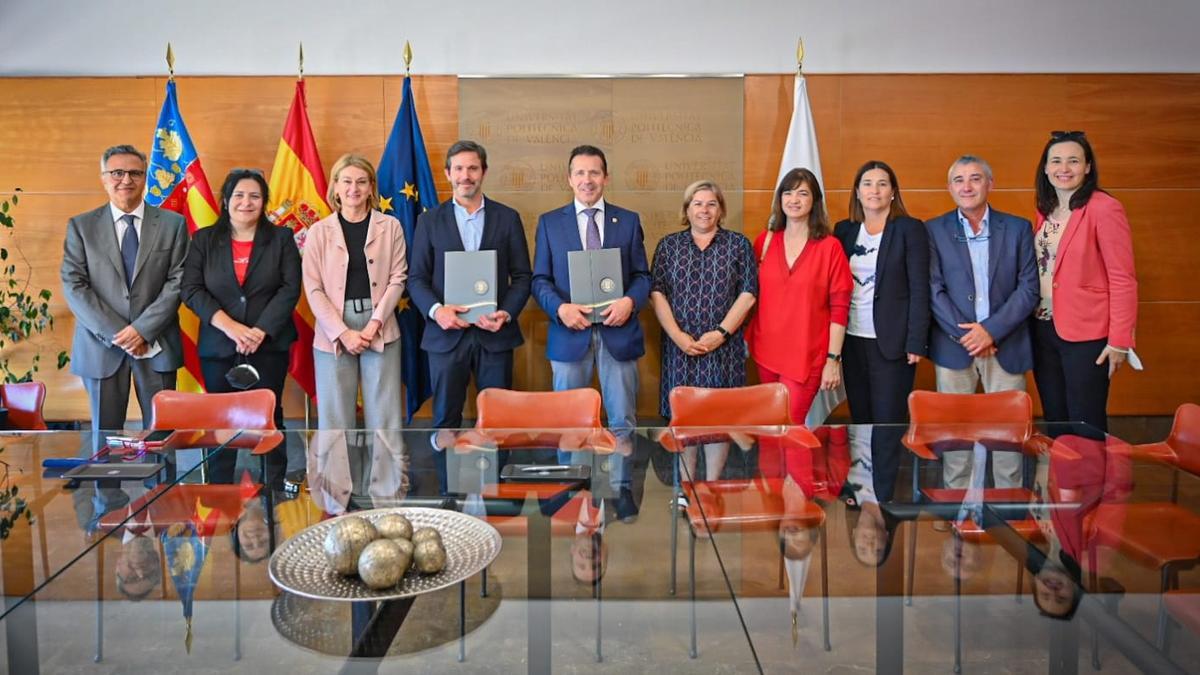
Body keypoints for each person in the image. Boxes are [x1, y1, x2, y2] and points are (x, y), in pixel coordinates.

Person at [60, 144, 189, 445]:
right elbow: (74, 285)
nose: (126, 180)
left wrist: (142, 330)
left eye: (134, 173)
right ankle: (105, 494)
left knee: (162, 437)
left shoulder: (173, 224)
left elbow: (178, 280)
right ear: (104, 178)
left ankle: (161, 492)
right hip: (101, 346)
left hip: (156, 344)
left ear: (145, 178)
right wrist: (121, 333)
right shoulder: (81, 227)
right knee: (104, 439)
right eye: (117, 172)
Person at [181, 169, 300, 488]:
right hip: (219, 346)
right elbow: (191, 289)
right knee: (221, 419)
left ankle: (274, 486)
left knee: (269, 417)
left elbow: (290, 288)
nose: (246, 202)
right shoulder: (204, 239)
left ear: (264, 203)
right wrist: (231, 327)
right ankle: (220, 489)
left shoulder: (281, 238)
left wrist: (260, 330)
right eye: (239, 195)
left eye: (255, 196)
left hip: (268, 346)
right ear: (225, 201)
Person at [927, 155, 1039, 490]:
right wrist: (969, 335)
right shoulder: (933, 230)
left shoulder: (1018, 228)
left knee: (1008, 433)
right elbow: (933, 289)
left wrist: (990, 331)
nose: (967, 186)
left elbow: (1029, 287)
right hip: (954, 345)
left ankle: (1008, 506)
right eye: (959, 180)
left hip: (1007, 344)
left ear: (990, 184)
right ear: (950, 188)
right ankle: (956, 506)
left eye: (975, 178)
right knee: (955, 433)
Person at [532, 145, 651, 449]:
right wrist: (560, 309)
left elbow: (642, 276)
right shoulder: (549, 223)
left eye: (594, 172)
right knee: (569, 428)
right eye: (580, 173)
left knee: (623, 425)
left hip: (618, 335)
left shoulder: (628, 221)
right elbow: (540, 280)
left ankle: (620, 491)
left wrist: (630, 302)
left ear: (606, 178)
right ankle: (573, 495)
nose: (588, 180)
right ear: (569, 179)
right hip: (569, 334)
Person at [408, 140, 532, 429]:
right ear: (448, 174)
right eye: (459, 168)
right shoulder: (429, 221)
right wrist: (438, 312)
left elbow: (523, 276)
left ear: (484, 172)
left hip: (495, 335)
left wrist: (507, 312)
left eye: (473, 168)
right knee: (445, 421)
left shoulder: (508, 218)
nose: (466, 175)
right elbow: (416, 279)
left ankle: (497, 476)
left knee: (499, 422)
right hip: (446, 337)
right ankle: (446, 476)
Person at [1031, 131, 1137, 433]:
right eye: (1056, 161)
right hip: (1043, 328)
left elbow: (1123, 277)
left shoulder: (1104, 207)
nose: (1064, 168)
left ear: (1087, 167)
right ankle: (1063, 482)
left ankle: (1089, 482)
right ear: (1046, 168)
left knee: (1086, 423)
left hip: (1086, 334)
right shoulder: (1046, 209)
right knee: (1056, 419)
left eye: (1074, 161)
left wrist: (1120, 340)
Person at [650, 180, 756, 480]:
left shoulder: (738, 245)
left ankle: (711, 487)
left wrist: (720, 333)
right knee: (684, 419)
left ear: (721, 209)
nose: (704, 210)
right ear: (687, 209)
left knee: (718, 419)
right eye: (697, 203)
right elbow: (656, 293)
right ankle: (686, 489)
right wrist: (678, 337)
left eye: (711, 203)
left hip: (723, 349)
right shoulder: (669, 246)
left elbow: (748, 293)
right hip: (680, 348)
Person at [303, 154, 408, 433]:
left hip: (381, 324)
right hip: (332, 328)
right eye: (347, 181)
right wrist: (342, 332)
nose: (354, 188)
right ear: (335, 187)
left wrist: (375, 323)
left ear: (371, 187)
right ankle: (338, 479)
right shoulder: (318, 232)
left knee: (384, 418)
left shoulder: (391, 227)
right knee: (335, 419)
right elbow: (313, 289)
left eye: (362, 182)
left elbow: (398, 277)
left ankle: (386, 479)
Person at [747, 168, 851, 425]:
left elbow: (839, 307)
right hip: (766, 350)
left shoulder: (830, 247)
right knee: (771, 426)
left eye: (802, 193)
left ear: (814, 201)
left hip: (807, 354)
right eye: (788, 192)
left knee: (791, 426)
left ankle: (795, 468)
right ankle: (771, 469)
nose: (794, 199)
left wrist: (832, 360)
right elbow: (750, 296)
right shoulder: (765, 242)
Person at [834, 160, 930, 427]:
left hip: (893, 344)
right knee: (860, 418)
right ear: (857, 191)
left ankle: (885, 471)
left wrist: (916, 341)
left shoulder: (909, 229)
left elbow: (920, 289)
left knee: (888, 421)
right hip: (852, 340)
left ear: (893, 192)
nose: (874, 190)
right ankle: (863, 470)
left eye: (882, 184)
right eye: (867, 184)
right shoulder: (845, 230)